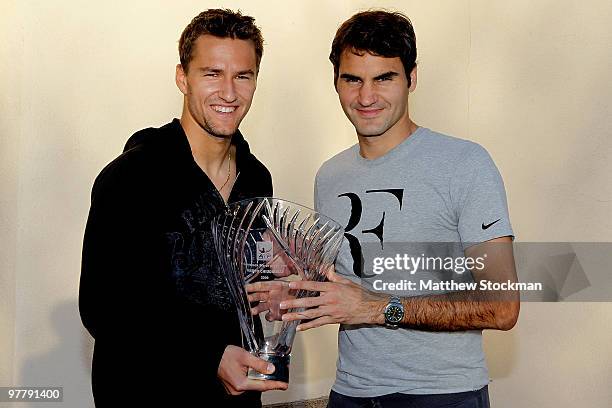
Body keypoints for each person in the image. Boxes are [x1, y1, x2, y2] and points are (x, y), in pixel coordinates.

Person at [256, 10, 519, 407]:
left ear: (411, 79)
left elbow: (502, 306)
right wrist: (296, 295)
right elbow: (349, 287)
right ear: (336, 83)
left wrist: (377, 309)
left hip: (442, 395)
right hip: (351, 392)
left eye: (384, 78)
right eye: (353, 79)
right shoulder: (330, 175)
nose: (366, 97)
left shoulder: (464, 163)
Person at [79, 9, 287, 407]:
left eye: (242, 76)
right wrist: (208, 355)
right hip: (145, 392)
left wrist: (274, 288)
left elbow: (237, 289)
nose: (229, 92)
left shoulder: (257, 178)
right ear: (182, 78)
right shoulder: (129, 178)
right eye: (212, 74)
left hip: (235, 396)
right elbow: (101, 308)